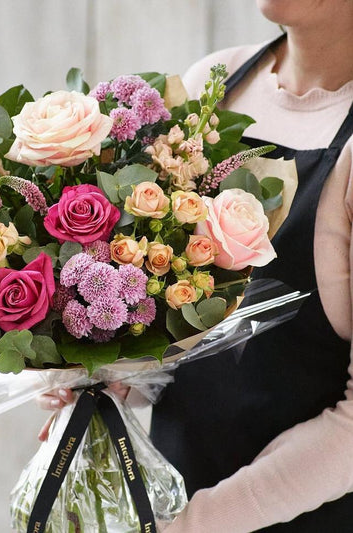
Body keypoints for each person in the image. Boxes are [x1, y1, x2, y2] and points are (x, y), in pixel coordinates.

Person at [39, 1, 353, 530]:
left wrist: (193, 524)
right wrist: (110, 376)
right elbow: (173, 318)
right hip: (174, 488)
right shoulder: (214, 83)